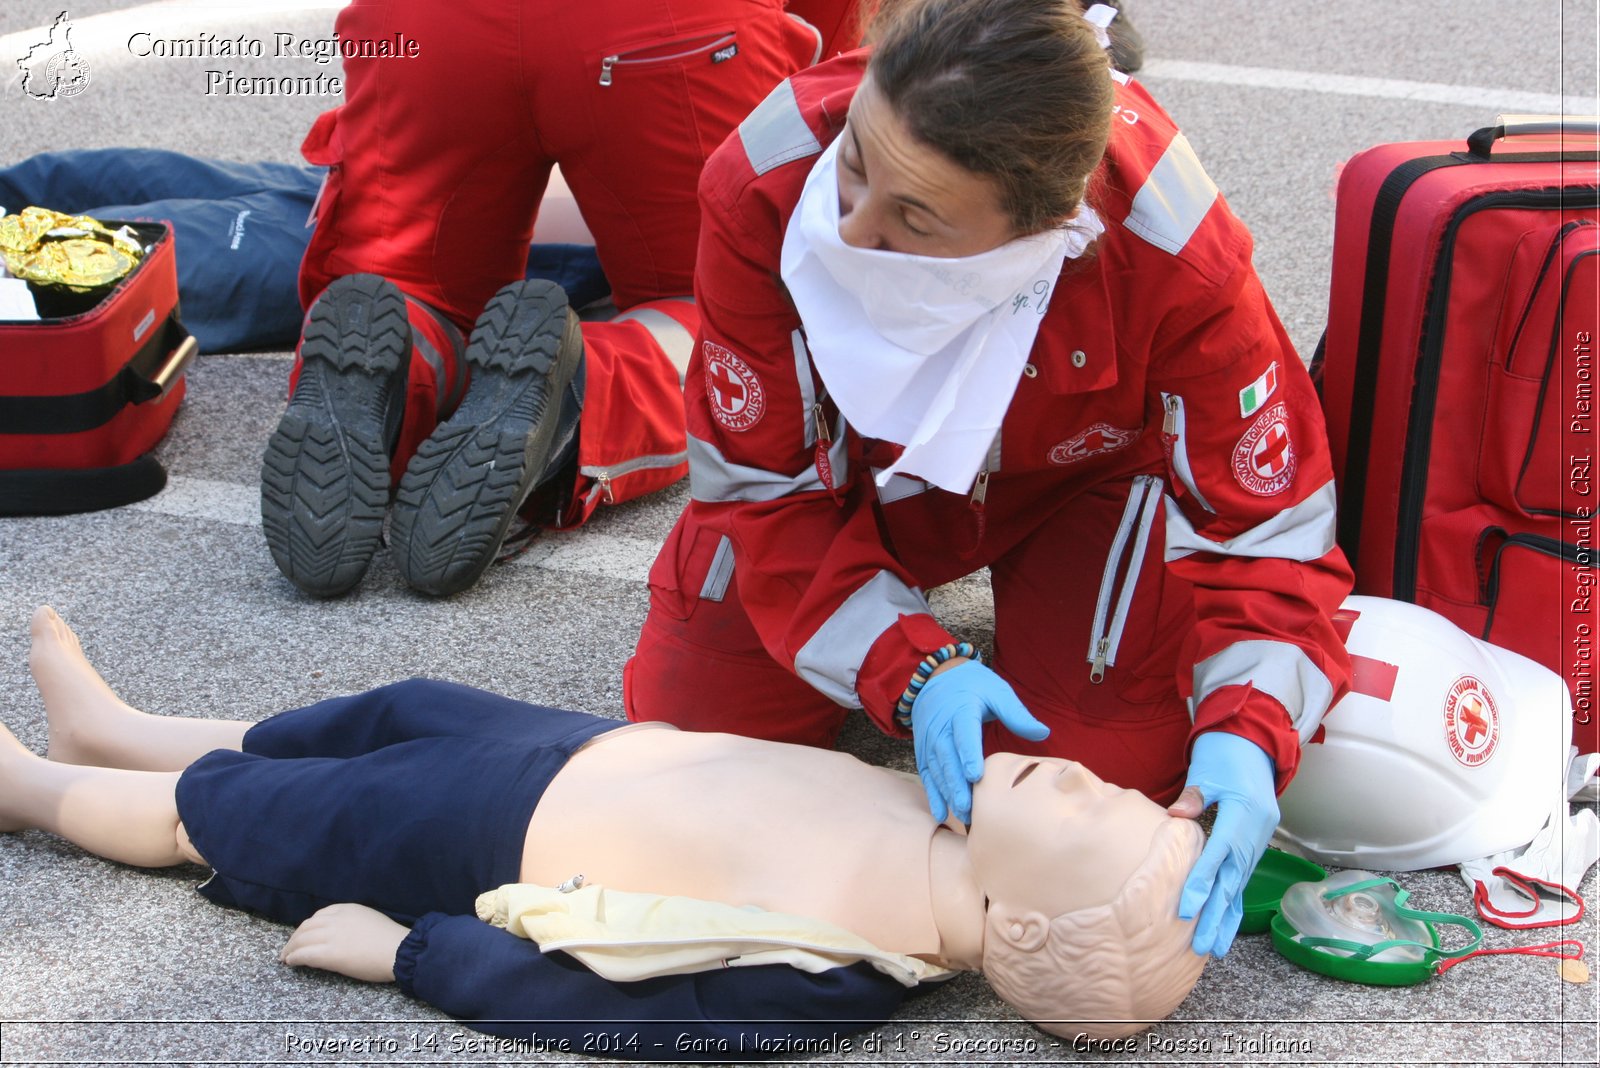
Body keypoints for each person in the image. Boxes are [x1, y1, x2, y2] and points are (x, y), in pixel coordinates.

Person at [624, 0, 1354, 961]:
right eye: (854, 162)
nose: (850, 224)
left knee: (1106, 782)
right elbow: (765, 488)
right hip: (842, 484)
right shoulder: (764, 177)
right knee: (690, 745)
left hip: (1076, 481)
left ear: (1047, 225)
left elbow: (1265, 530)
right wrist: (912, 669)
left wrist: (1252, 732)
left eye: (914, 216)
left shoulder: (1169, 246)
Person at [1, 606, 1207, 1051]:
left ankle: (34, 789)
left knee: (240, 819)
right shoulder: (954, 807)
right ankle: (124, 728)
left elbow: (607, 1010)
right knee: (380, 716)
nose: (1081, 779)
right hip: (571, 747)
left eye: (1087, 815)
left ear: (1019, 923)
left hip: (482, 845)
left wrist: (411, 953)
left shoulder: (840, 976)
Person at [261, 0, 838, 599]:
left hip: (426, 28)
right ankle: (581, 388)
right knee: (718, 306)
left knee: (410, 286)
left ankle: (407, 363)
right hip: (663, 29)